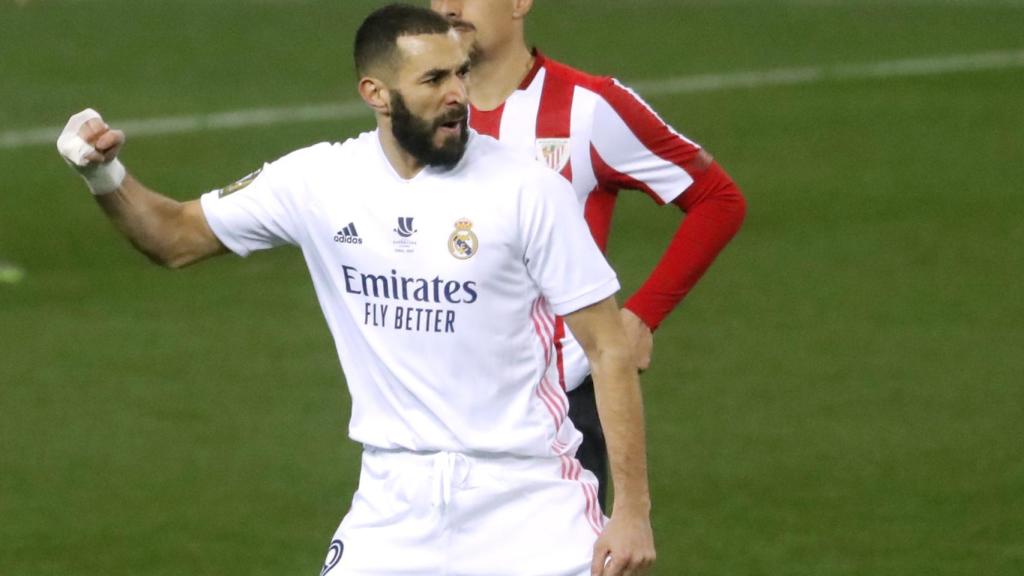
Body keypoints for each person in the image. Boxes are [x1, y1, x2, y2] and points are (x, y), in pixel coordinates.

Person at [56, 4, 654, 576]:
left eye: (462, 73)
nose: (458, 96)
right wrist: (102, 173)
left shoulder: (527, 191)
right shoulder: (320, 181)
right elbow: (173, 237)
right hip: (392, 508)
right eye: (434, 79)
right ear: (375, 93)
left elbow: (607, 348)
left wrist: (630, 514)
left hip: (526, 504)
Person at [430, 0, 748, 507]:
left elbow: (717, 199)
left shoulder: (589, 107)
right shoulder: (419, 115)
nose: (448, 7)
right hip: (438, 419)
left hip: (558, 418)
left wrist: (643, 316)